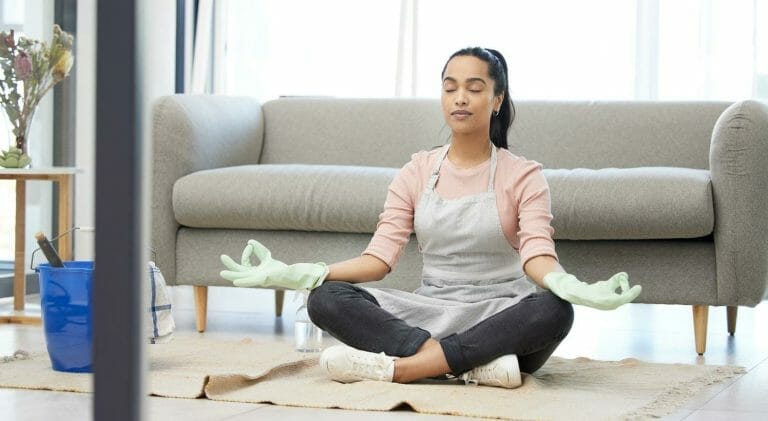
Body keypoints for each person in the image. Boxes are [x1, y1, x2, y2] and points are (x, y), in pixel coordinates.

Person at [220, 47, 641, 389]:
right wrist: (306, 273)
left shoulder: (523, 175)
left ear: (496, 100)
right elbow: (379, 258)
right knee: (325, 299)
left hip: (499, 315)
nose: (460, 98)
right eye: (450, 87)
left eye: (474, 88)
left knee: (554, 310)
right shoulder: (417, 171)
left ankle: (403, 369)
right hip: (429, 310)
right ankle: (472, 367)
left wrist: (568, 285)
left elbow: (536, 255)